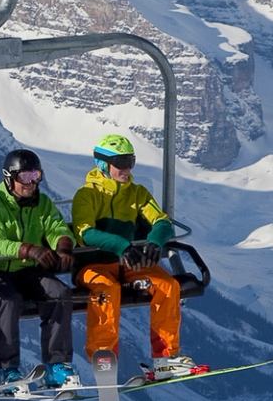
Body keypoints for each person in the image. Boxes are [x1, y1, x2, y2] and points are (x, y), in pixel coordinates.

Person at [71, 132, 193, 380]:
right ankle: (104, 360)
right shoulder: (87, 195)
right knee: (106, 290)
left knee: (168, 286)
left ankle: (165, 359)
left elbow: (162, 222)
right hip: (94, 264)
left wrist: (154, 241)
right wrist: (121, 246)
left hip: (130, 264)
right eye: (121, 164)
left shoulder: (137, 193)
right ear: (103, 164)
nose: (126, 169)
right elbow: (85, 233)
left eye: (130, 163)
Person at [0, 147, 80, 388]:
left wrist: (63, 245)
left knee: (60, 293)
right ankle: (7, 369)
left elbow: (56, 227)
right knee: (7, 300)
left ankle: (57, 365)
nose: (31, 183)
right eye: (25, 177)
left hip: (27, 270)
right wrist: (29, 249)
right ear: (9, 178)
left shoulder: (41, 203)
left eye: (36, 176)